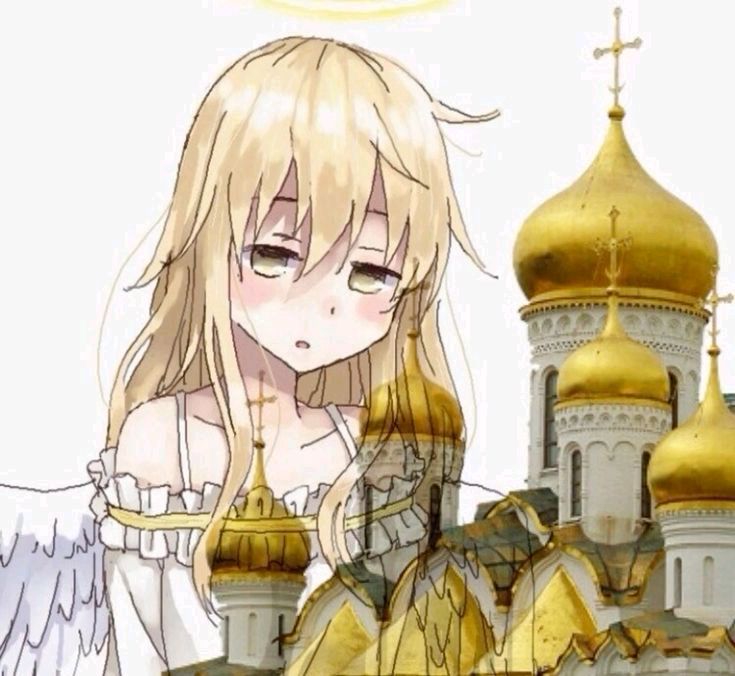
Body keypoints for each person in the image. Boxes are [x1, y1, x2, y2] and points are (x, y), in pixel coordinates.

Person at [0, 35, 498, 675]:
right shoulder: (164, 443)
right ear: (209, 236)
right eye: (275, 255)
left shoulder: (371, 445)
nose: (321, 304)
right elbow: (140, 644)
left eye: (372, 272)